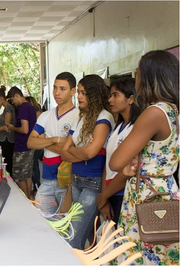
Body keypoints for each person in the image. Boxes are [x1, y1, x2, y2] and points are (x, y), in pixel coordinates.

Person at [109, 50, 179, 265]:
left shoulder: (154, 112)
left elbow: (116, 162)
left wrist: (131, 164)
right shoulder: (173, 110)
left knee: (140, 255)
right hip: (165, 188)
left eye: (139, 73)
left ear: (149, 77)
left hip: (148, 194)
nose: (136, 79)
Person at [61, 74, 114, 250]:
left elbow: (91, 152)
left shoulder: (104, 117)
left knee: (73, 237)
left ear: (95, 94)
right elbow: (64, 152)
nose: (80, 96)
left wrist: (82, 152)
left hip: (93, 183)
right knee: (88, 236)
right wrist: (83, 153)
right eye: (80, 92)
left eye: (84, 93)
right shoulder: (80, 117)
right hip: (76, 180)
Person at [27, 72, 79, 213]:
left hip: (66, 180)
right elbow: (31, 142)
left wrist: (43, 140)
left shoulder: (78, 116)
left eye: (62, 89)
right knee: (41, 219)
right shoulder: (46, 115)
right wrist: (54, 139)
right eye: (55, 88)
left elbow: (70, 149)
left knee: (64, 224)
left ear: (73, 91)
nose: (57, 92)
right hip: (47, 179)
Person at [96, 77, 141, 225]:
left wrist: (103, 196)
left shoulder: (136, 128)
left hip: (123, 193)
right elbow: (107, 164)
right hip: (110, 192)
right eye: (111, 95)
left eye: (115, 95)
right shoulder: (118, 126)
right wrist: (105, 197)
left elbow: (129, 170)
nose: (110, 99)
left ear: (131, 99)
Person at [6, 86, 37, 199]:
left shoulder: (23, 108)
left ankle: (25, 199)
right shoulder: (30, 107)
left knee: (19, 176)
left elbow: (24, 129)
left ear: (17, 96)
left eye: (12, 100)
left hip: (22, 146)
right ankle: (29, 199)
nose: (13, 103)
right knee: (27, 175)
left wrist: (13, 128)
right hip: (28, 145)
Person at [25, 96, 44, 197]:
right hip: (33, 142)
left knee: (34, 167)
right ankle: (35, 187)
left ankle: (37, 188)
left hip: (38, 142)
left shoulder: (38, 114)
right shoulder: (35, 113)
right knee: (33, 166)